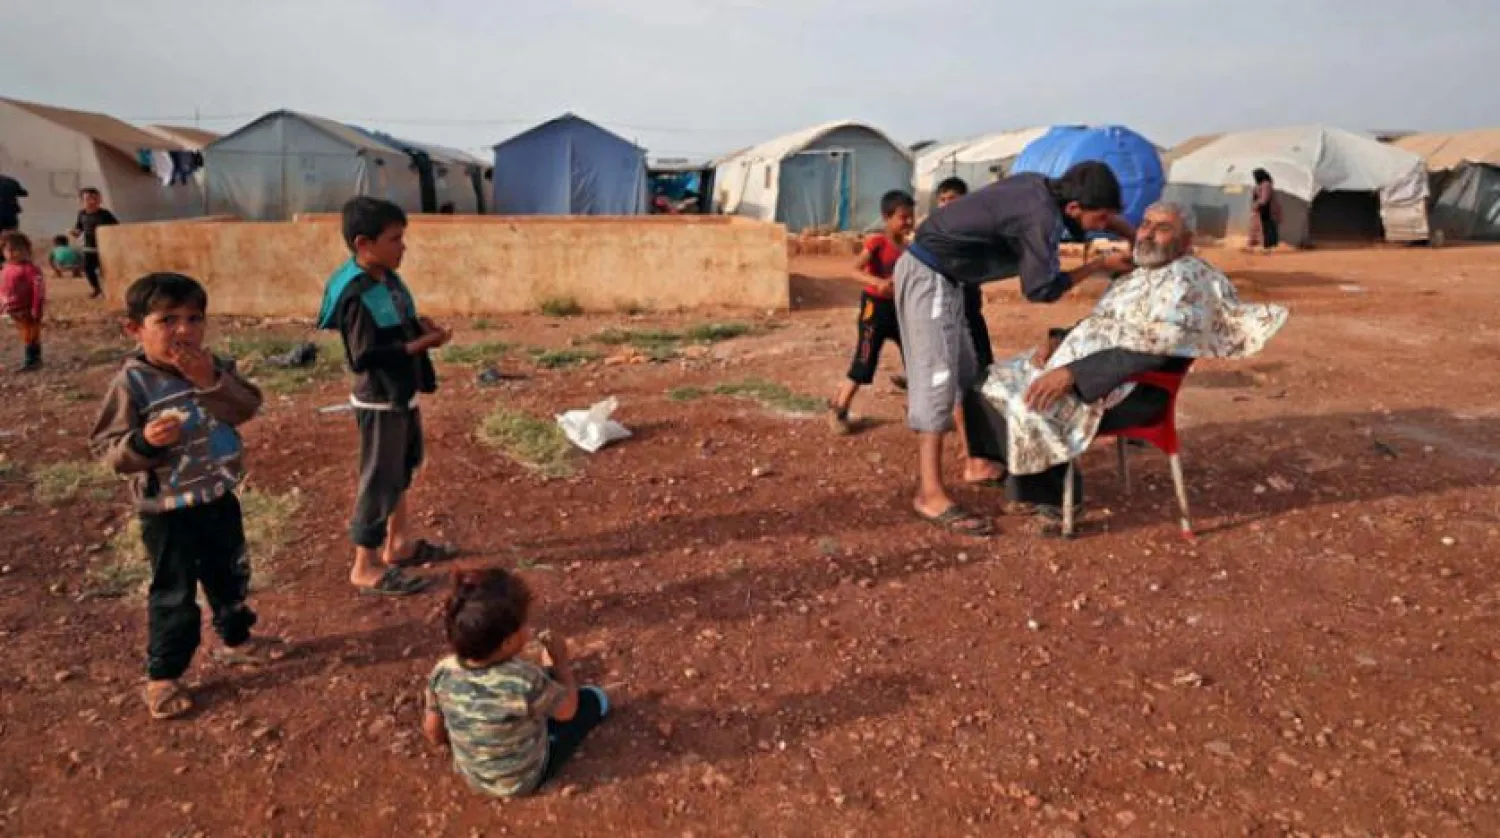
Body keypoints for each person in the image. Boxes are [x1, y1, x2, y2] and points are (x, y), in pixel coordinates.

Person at [964, 202, 1288, 526]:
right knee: (984, 383)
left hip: (1133, 389)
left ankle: (1060, 497)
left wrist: (1073, 374)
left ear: (1186, 241)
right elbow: (1106, 323)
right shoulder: (1142, 273)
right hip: (1094, 366)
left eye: (1162, 228)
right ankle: (1028, 480)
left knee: (1028, 401)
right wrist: (1059, 339)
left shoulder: (1188, 281)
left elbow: (1153, 349)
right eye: (1146, 224)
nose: (1147, 233)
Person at [896, 161, 1137, 536]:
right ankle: (929, 493)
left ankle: (977, 462)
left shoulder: (1039, 187)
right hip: (929, 278)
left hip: (951, 279)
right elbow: (1040, 289)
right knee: (938, 380)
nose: (1103, 225)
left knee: (966, 373)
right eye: (1102, 217)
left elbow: (1069, 226)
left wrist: (1120, 227)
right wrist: (1098, 266)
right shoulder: (1040, 217)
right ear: (1074, 207)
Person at [89, 273, 280, 720]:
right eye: (167, 319)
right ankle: (164, 675)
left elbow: (246, 407)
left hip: (217, 496)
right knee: (173, 591)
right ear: (135, 329)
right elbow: (108, 452)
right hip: (167, 510)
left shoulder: (214, 366)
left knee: (230, 574)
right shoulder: (132, 384)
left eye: (194, 318)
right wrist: (145, 442)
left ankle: (238, 640)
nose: (183, 330)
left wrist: (210, 380)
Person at [316, 196, 454, 596]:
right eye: (394, 239)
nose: (402, 247)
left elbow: (397, 323)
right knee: (379, 479)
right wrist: (421, 343)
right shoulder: (357, 294)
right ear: (363, 244)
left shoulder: (386, 279)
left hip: (400, 392)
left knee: (400, 470)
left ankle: (398, 544)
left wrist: (421, 329)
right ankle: (365, 564)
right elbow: (364, 356)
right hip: (379, 399)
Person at [423, 568, 610, 798]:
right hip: (522, 780)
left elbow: (433, 732)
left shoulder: (443, 671)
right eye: (524, 624)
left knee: (534, 703)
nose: (528, 629)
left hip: (471, 775)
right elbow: (568, 711)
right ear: (508, 641)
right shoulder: (524, 678)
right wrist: (560, 664)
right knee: (593, 700)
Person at [827, 189, 915, 434]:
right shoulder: (877, 242)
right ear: (887, 218)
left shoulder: (909, 248)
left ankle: (917, 411)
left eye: (911, 217)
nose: (908, 222)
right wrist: (877, 282)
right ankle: (839, 409)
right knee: (865, 360)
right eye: (903, 217)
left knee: (915, 359)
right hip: (875, 309)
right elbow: (852, 269)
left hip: (900, 310)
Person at [1, 232, 45, 371]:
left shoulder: (30, 269)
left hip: (27, 309)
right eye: (10, 250)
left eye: (19, 249)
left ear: (27, 250)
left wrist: (36, 308)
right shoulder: (7, 268)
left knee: (31, 334)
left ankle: (33, 361)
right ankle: (32, 359)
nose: (15, 253)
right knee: (25, 333)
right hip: (12, 308)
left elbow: (39, 291)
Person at [71, 187, 118, 298]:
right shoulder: (81, 214)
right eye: (88, 199)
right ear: (82, 201)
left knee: (105, 269)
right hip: (89, 247)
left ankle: (110, 290)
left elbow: (116, 228)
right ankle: (96, 288)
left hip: (105, 247)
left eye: (95, 198)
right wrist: (74, 232)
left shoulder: (105, 214)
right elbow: (79, 229)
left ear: (99, 200)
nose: (92, 201)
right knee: (88, 269)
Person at [1249, 168, 1282, 252]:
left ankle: (1268, 247)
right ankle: (1258, 245)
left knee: (1267, 227)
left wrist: (1257, 204)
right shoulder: (1259, 185)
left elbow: (1265, 198)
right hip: (1261, 209)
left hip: (1266, 209)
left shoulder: (1266, 184)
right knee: (1259, 228)